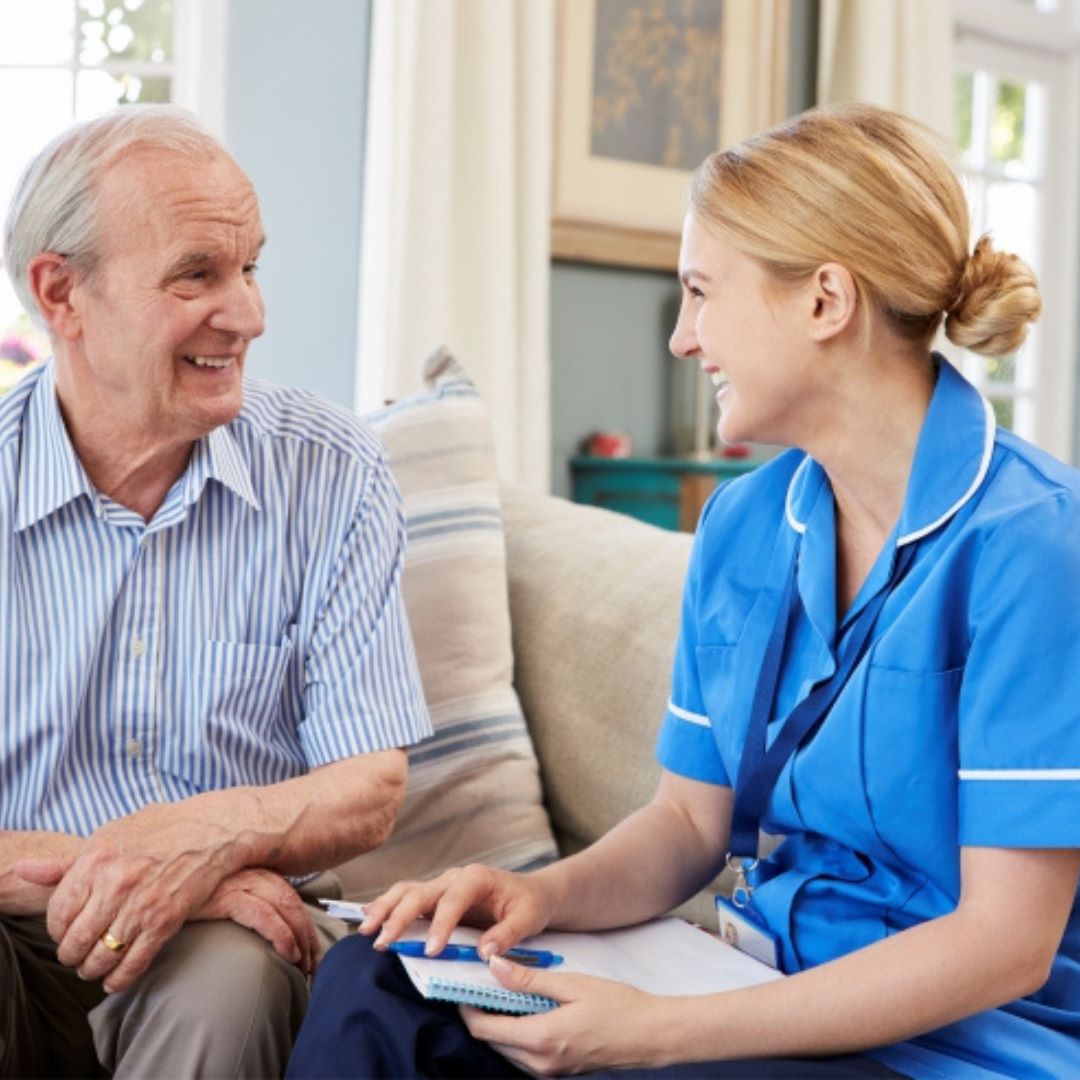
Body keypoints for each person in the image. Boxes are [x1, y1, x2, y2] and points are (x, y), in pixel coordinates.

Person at [286, 103, 1080, 1079]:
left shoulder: (1036, 546)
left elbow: (1006, 944)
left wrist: (651, 1031)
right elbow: (689, 824)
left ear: (825, 301)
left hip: (935, 1047)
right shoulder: (746, 525)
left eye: (702, 293)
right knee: (379, 980)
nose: (682, 338)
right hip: (740, 983)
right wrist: (533, 895)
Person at [0, 105, 433, 1078]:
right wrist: (165, 874)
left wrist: (209, 839)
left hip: (227, 945)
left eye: (250, 268)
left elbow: (370, 785)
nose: (248, 313)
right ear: (62, 293)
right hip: (17, 925)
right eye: (198, 274)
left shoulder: (329, 472)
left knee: (228, 985)